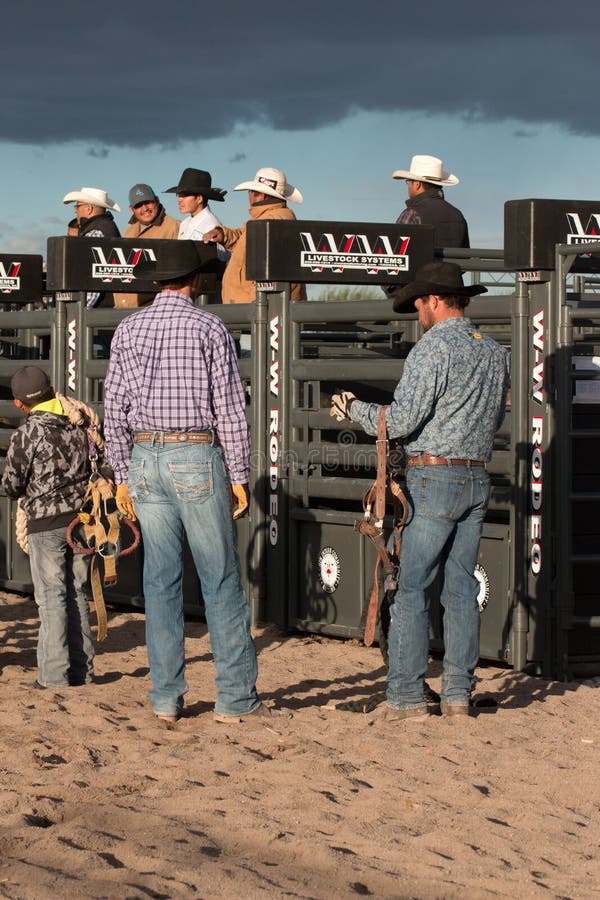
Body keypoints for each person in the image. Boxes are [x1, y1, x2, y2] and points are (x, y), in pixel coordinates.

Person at [103, 241, 282, 725]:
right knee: (219, 576)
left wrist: (121, 472)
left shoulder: (128, 328)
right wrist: (239, 475)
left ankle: (165, 697)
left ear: (158, 282)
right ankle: (236, 698)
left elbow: (113, 407)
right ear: (196, 280)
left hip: (144, 457)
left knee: (160, 580)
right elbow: (228, 408)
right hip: (194, 454)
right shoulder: (209, 326)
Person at [331, 261, 509, 720]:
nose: (417, 312)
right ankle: (457, 695)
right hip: (476, 476)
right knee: (460, 588)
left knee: (409, 586)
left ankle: (407, 695)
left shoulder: (432, 350)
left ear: (433, 300)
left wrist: (355, 408)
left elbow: (403, 419)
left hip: (433, 479)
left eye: (418, 303)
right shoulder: (493, 350)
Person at [1, 366, 96, 689]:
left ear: (18, 404)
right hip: (81, 520)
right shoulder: (78, 424)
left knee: (51, 597)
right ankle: (82, 672)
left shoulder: (27, 433)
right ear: (52, 390)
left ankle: (54, 676)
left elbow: (12, 484)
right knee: (77, 594)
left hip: (45, 523)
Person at [203, 167, 306, 303]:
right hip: (254, 307)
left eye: (251, 191)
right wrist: (224, 235)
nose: (249, 195)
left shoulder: (270, 220)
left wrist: (253, 302)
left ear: (260, 195)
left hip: (253, 308)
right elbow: (246, 238)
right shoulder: (270, 218)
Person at [113, 183, 180, 309]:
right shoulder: (129, 229)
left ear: (157, 200)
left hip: (154, 308)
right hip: (124, 309)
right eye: (138, 205)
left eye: (147, 202)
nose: (144, 208)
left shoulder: (174, 226)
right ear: (131, 209)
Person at [392, 155, 469, 249]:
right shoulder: (458, 215)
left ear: (417, 184)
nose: (408, 186)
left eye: (409, 182)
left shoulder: (412, 213)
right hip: (453, 264)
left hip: (422, 264)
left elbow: (396, 252)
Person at [63, 186, 122, 308]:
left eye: (77, 206)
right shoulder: (106, 227)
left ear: (88, 208)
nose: (75, 211)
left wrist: (79, 309)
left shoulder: (94, 234)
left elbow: (93, 281)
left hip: (98, 312)